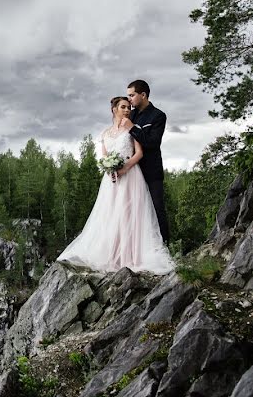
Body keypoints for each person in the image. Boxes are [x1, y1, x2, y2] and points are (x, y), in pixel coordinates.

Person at [57, 96, 174, 274]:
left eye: (128, 107)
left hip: (131, 175)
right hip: (111, 179)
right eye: (123, 107)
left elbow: (139, 153)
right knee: (111, 214)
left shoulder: (131, 130)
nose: (127, 110)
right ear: (114, 109)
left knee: (130, 214)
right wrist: (109, 169)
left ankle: (132, 257)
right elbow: (104, 156)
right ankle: (113, 256)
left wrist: (124, 168)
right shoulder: (105, 133)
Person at [127, 79, 170, 244]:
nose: (129, 99)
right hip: (132, 172)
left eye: (132, 95)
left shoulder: (158, 116)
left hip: (151, 172)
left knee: (157, 209)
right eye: (128, 95)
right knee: (134, 211)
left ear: (143, 95)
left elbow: (152, 142)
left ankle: (165, 246)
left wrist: (132, 128)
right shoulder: (130, 114)